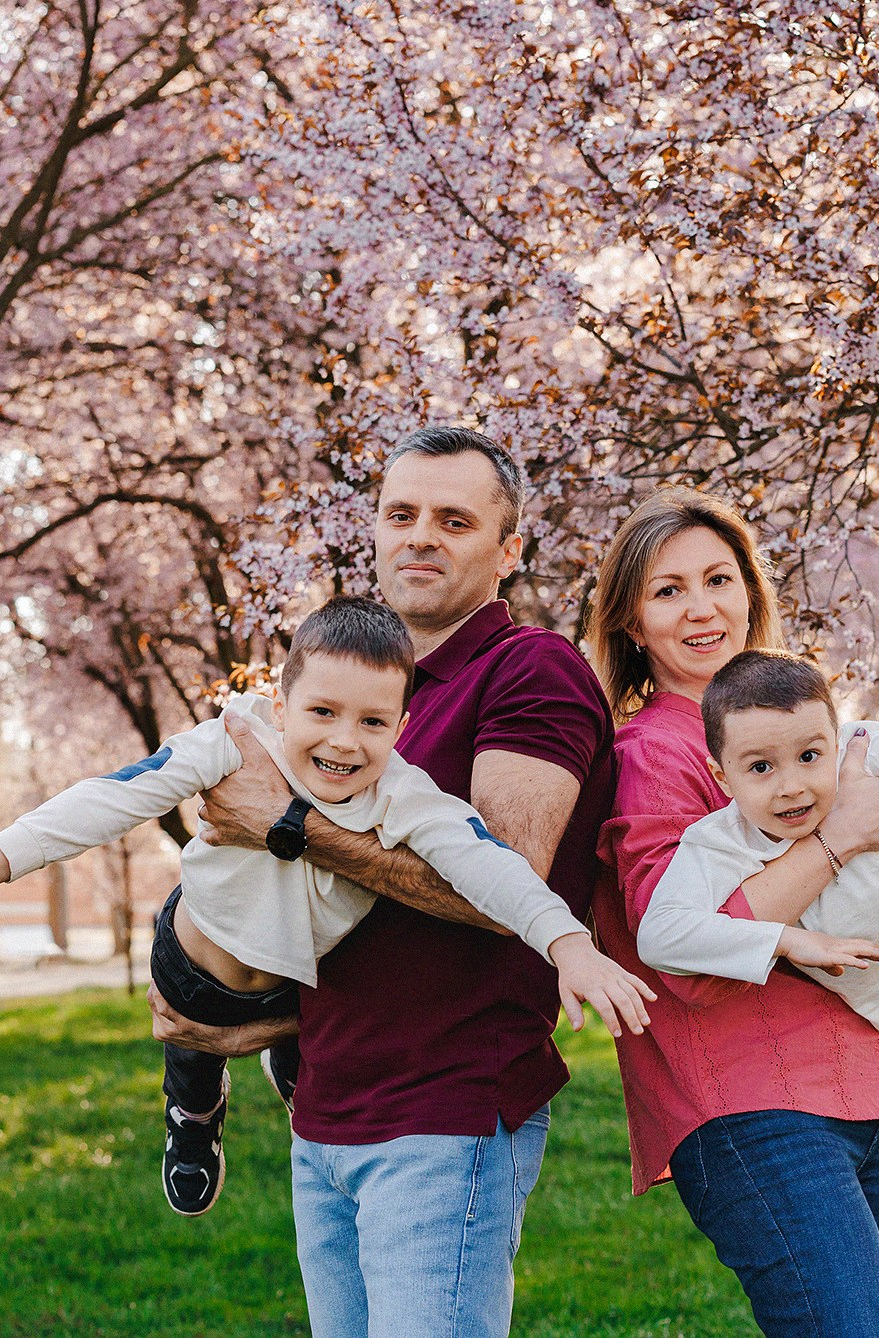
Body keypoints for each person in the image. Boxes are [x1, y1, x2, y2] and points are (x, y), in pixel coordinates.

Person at [0, 597, 650, 1221]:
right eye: (322, 712)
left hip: (296, 983)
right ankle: (194, 1111)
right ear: (280, 705)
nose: (343, 741)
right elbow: (110, 799)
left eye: (372, 722)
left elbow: (493, 868)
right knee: (193, 1050)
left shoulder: (404, 794)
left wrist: (567, 945)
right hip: (195, 967)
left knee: (312, 1023)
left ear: (400, 727)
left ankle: (284, 1053)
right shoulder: (237, 743)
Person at [146, 427, 648, 1338]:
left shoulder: (528, 668)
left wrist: (288, 826)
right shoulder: (361, 686)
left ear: (508, 550)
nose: (420, 536)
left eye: (454, 520)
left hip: (444, 1109)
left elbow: (505, 882)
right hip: (328, 1107)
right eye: (401, 514)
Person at [588, 486, 879, 1338]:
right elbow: (683, 958)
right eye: (668, 591)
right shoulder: (652, 754)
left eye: (718, 579)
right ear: (632, 622)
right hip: (754, 1108)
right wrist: (842, 838)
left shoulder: (805, 724)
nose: (701, 608)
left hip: (867, 1090)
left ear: (750, 589)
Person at [637, 647, 879, 1164]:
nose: (792, 786)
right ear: (722, 777)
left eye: (809, 756)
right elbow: (659, 934)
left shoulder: (865, 750)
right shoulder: (719, 842)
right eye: (760, 767)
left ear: (835, 741)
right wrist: (787, 940)